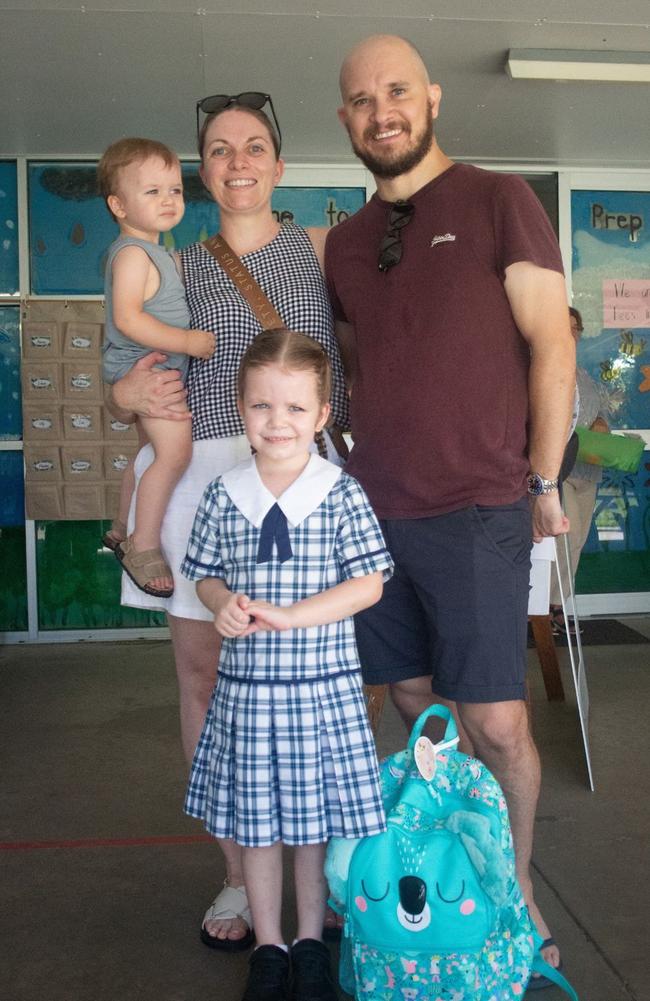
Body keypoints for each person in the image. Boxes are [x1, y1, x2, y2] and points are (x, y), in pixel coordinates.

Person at [325, 34, 576, 984]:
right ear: (344, 120)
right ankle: (454, 873)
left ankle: (511, 897)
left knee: (500, 723)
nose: (381, 109)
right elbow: (353, 371)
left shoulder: (498, 199)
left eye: (397, 90)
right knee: (416, 704)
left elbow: (551, 343)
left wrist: (544, 480)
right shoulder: (345, 244)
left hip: (477, 506)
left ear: (430, 97)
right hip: (377, 516)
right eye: (360, 99)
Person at [107, 95, 350, 950]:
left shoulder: (324, 251)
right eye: (218, 149)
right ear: (199, 171)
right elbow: (128, 357)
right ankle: (236, 874)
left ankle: (327, 872)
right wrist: (121, 394)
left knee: (323, 686)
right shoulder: (170, 265)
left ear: (280, 166)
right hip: (202, 473)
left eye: (254, 146)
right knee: (206, 682)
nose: (237, 161)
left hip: (306, 482)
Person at [181, 327, 391, 1001]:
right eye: (263, 406)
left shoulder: (340, 492)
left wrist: (299, 613)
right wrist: (220, 605)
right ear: (242, 409)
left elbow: (370, 581)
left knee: (311, 831)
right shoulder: (224, 492)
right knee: (260, 830)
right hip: (250, 695)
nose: (279, 422)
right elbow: (206, 574)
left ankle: (309, 944)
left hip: (319, 692)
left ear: (323, 415)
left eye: (296, 408)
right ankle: (268, 947)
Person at [97, 137, 215, 598]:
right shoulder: (131, 254)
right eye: (152, 191)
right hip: (152, 372)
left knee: (147, 455)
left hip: (156, 368)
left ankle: (121, 524)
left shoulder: (155, 251)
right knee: (174, 455)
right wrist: (188, 341)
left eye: (175, 190)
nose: (168, 199)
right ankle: (143, 545)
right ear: (118, 205)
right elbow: (128, 318)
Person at [550, 306, 614, 635]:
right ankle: (548, 610)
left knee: (577, 542)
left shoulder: (585, 376)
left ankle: (558, 606)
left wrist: (603, 423)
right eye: (565, 326)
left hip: (589, 472)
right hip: (561, 472)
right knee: (565, 537)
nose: (572, 332)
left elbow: (601, 412)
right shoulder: (545, 369)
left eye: (576, 327)